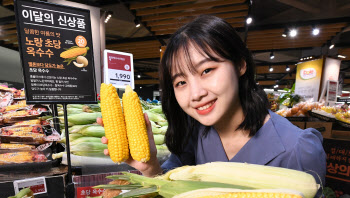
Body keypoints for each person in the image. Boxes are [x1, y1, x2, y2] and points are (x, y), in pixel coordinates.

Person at [98, 15, 326, 188]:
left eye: (207, 70)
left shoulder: (299, 151)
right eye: (180, 82)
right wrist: (150, 168)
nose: (195, 94)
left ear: (240, 65)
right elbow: (169, 194)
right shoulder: (193, 134)